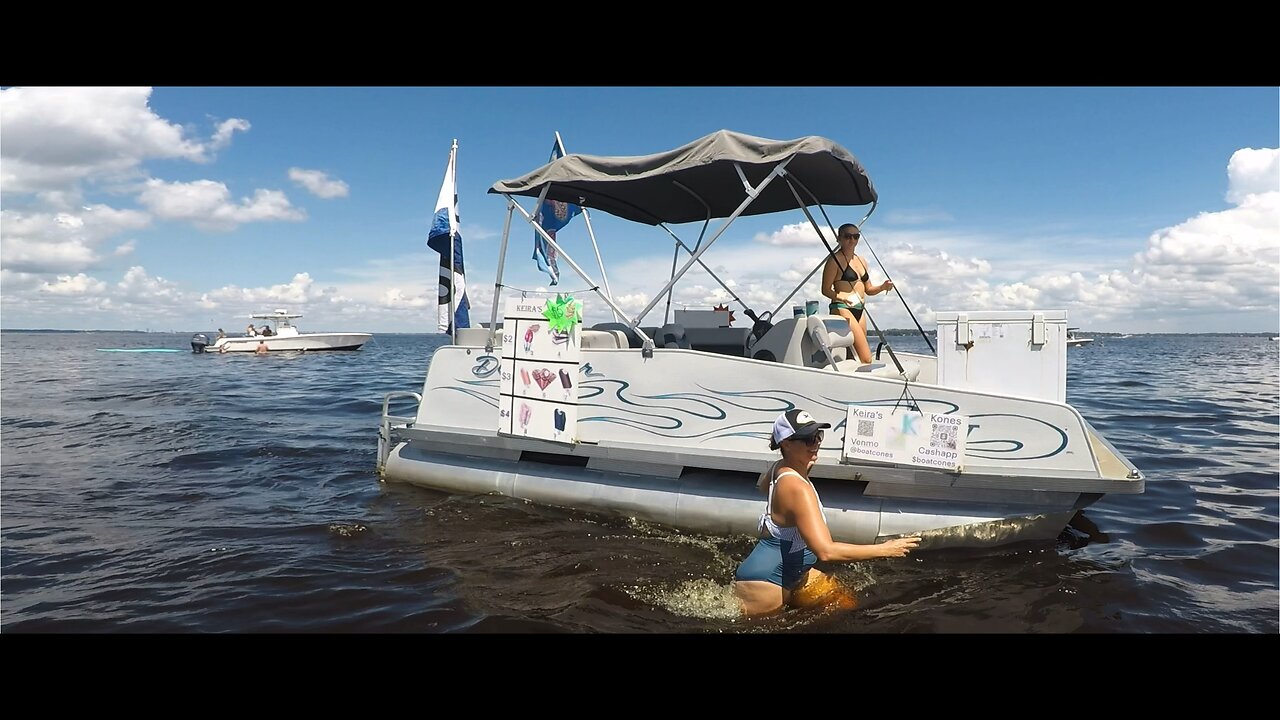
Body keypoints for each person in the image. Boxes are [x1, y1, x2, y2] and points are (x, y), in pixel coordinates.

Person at [732, 409, 921, 617]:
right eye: (807, 440)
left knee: (844, 602)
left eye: (818, 436)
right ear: (786, 444)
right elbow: (826, 552)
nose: (816, 443)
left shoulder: (780, 467)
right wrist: (885, 550)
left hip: (796, 571)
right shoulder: (797, 489)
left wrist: (805, 466)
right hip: (766, 582)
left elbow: (763, 487)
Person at [820, 224, 894, 364]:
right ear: (839, 238)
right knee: (865, 357)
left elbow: (869, 289)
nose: (852, 240)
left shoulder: (862, 261)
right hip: (841, 307)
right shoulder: (834, 260)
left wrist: (883, 287)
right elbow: (825, 289)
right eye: (848, 236)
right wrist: (841, 296)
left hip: (859, 309)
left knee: (853, 354)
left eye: (856, 236)